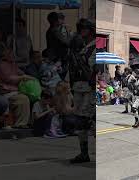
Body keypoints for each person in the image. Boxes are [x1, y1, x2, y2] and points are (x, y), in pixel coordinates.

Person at [68, 18, 94, 163]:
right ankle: (84, 153)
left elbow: (95, 69)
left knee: (90, 120)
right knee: (80, 121)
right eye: (80, 29)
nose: (81, 31)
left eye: (83, 28)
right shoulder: (82, 47)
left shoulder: (95, 47)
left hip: (89, 88)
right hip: (79, 87)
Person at [0, 49, 33, 129]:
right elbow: (8, 78)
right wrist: (22, 77)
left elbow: (20, 73)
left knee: (29, 96)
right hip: (6, 91)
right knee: (23, 98)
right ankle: (20, 123)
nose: (13, 56)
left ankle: (26, 122)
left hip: (15, 91)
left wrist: (29, 77)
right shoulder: (2, 65)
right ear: (6, 56)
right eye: (11, 55)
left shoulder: (13, 64)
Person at [46, 12, 71, 80]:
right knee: (59, 79)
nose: (62, 20)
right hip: (58, 59)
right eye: (60, 18)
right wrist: (68, 32)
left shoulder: (51, 30)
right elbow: (67, 43)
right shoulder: (55, 31)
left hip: (55, 58)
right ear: (56, 20)